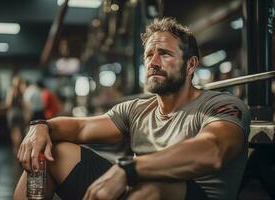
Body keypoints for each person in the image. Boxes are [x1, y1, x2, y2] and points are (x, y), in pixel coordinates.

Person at [14, 17, 250, 200]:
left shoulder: (222, 105)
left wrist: (129, 169)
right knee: (52, 152)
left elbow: (214, 149)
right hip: (139, 189)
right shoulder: (137, 109)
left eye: (165, 54)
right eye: (149, 55)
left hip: (177, 193)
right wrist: (40, 127)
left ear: (190, 64)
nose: (153, 62)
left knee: (155, 184)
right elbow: (79, 127)